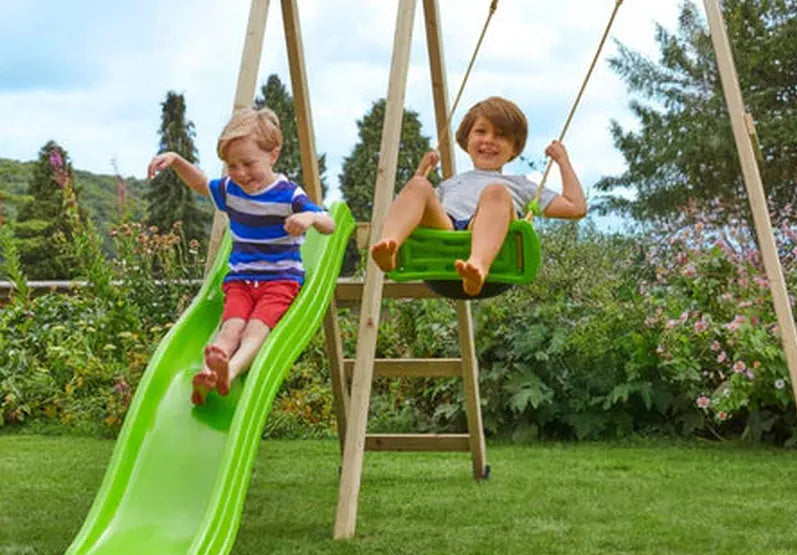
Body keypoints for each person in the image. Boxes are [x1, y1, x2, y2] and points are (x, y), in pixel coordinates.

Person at [147, 106, 335, 405]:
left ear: (272, 155)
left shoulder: (289, 194)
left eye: (248, 163)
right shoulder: (231, 190)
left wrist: (309, 218)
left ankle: (231, 371)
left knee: (255, 329)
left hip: (280, 280)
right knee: (229, 329)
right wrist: (177, 160)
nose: (240, 173)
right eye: (232, 165)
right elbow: (200, 184)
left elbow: (329, 224)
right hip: (241, 280)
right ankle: (209, 373)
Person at [370, 96, 586, 297]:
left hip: (491, 241)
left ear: (514, 148)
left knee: (495, 192)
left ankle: (478, 266)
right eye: (481, 132)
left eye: (501, 135)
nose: (489, 140)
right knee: (419, 186)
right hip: (447, 231)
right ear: (466, 140)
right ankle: (390, 246)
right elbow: (414, 207)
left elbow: (576, 208)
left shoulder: (519, 185)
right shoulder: (450, 184)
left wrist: (562, 161)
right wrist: (420, 173)